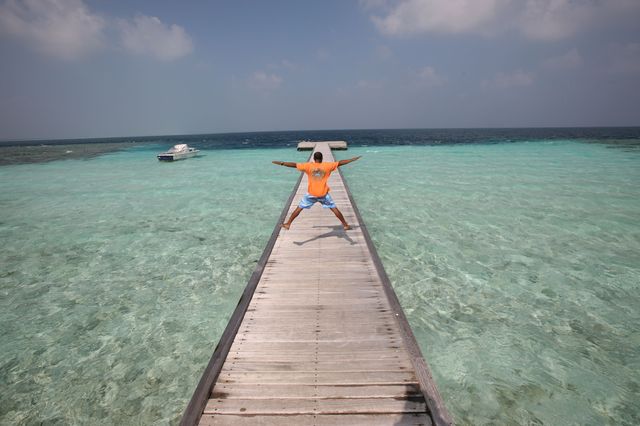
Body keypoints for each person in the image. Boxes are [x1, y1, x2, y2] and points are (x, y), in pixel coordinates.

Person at [272, 152, 361, 230]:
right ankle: (345, 225)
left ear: (314, 159)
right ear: (321, 159)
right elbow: (341, 163)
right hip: (323, 194)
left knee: (299, 208)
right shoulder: (327, 165)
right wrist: (352, 159)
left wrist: (282, 163)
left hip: (311, 194)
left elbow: (294, 165)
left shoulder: (308, 166)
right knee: (334, 208)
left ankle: (288, 224)